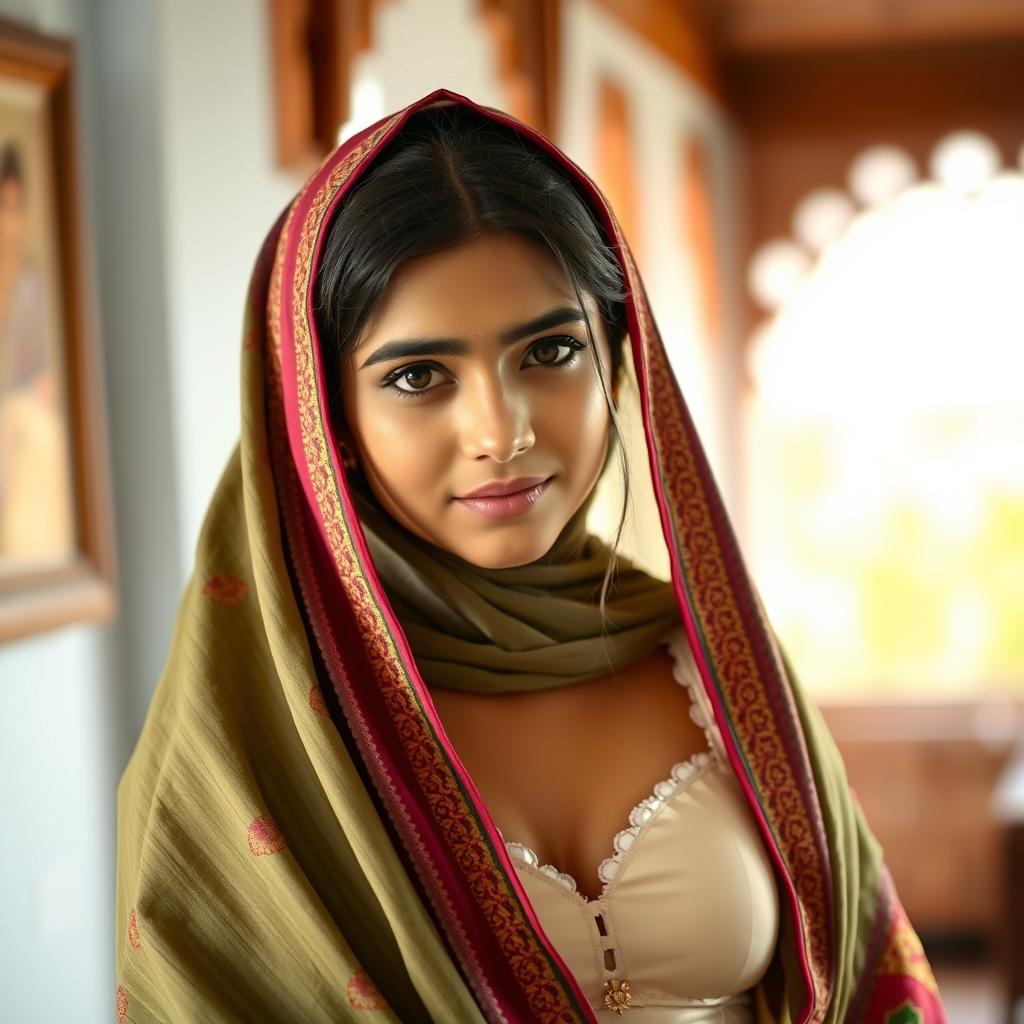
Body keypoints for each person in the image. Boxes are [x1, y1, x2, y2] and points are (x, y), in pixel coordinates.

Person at [115, 89, 947, 1024]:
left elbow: (873, 977)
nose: (500, 432)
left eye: (550, 352)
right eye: (418, 378)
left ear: (621, 361)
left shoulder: (718, 664)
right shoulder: (264, 726)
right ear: (324, 420)